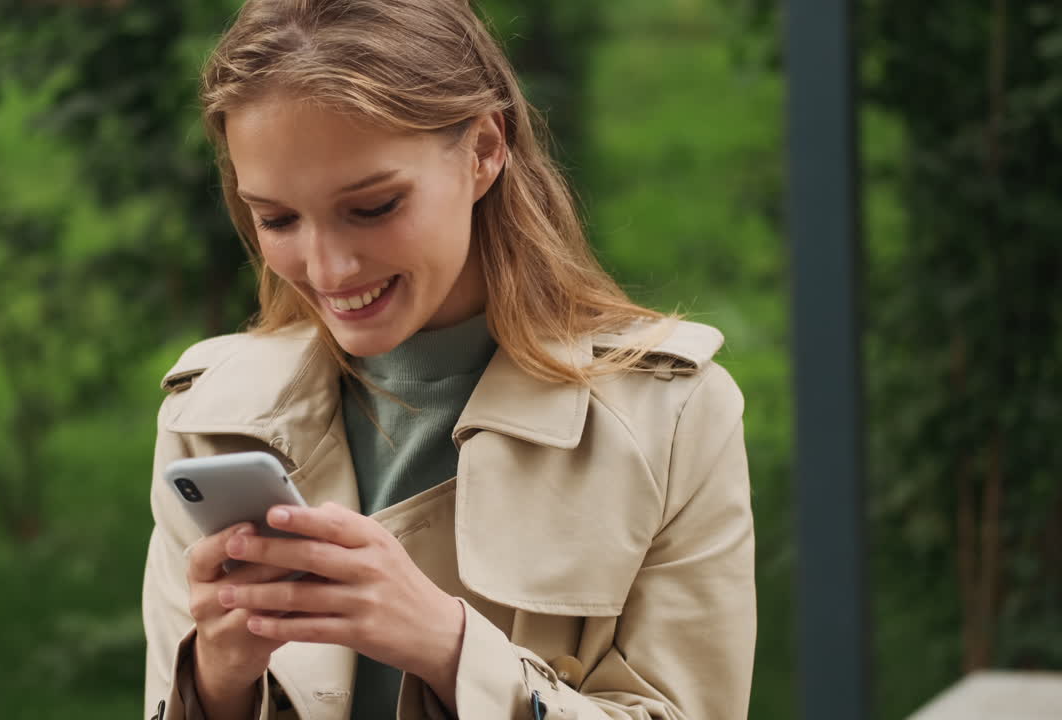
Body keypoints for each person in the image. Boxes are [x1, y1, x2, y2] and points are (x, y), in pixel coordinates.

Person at [141, 0, 756, 718]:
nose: (328, 268)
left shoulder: (670, 416)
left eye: (373, 207)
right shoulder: (210, 419)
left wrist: (450, 649)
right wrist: (216, 682)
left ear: (484, 150)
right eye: (277, 219)